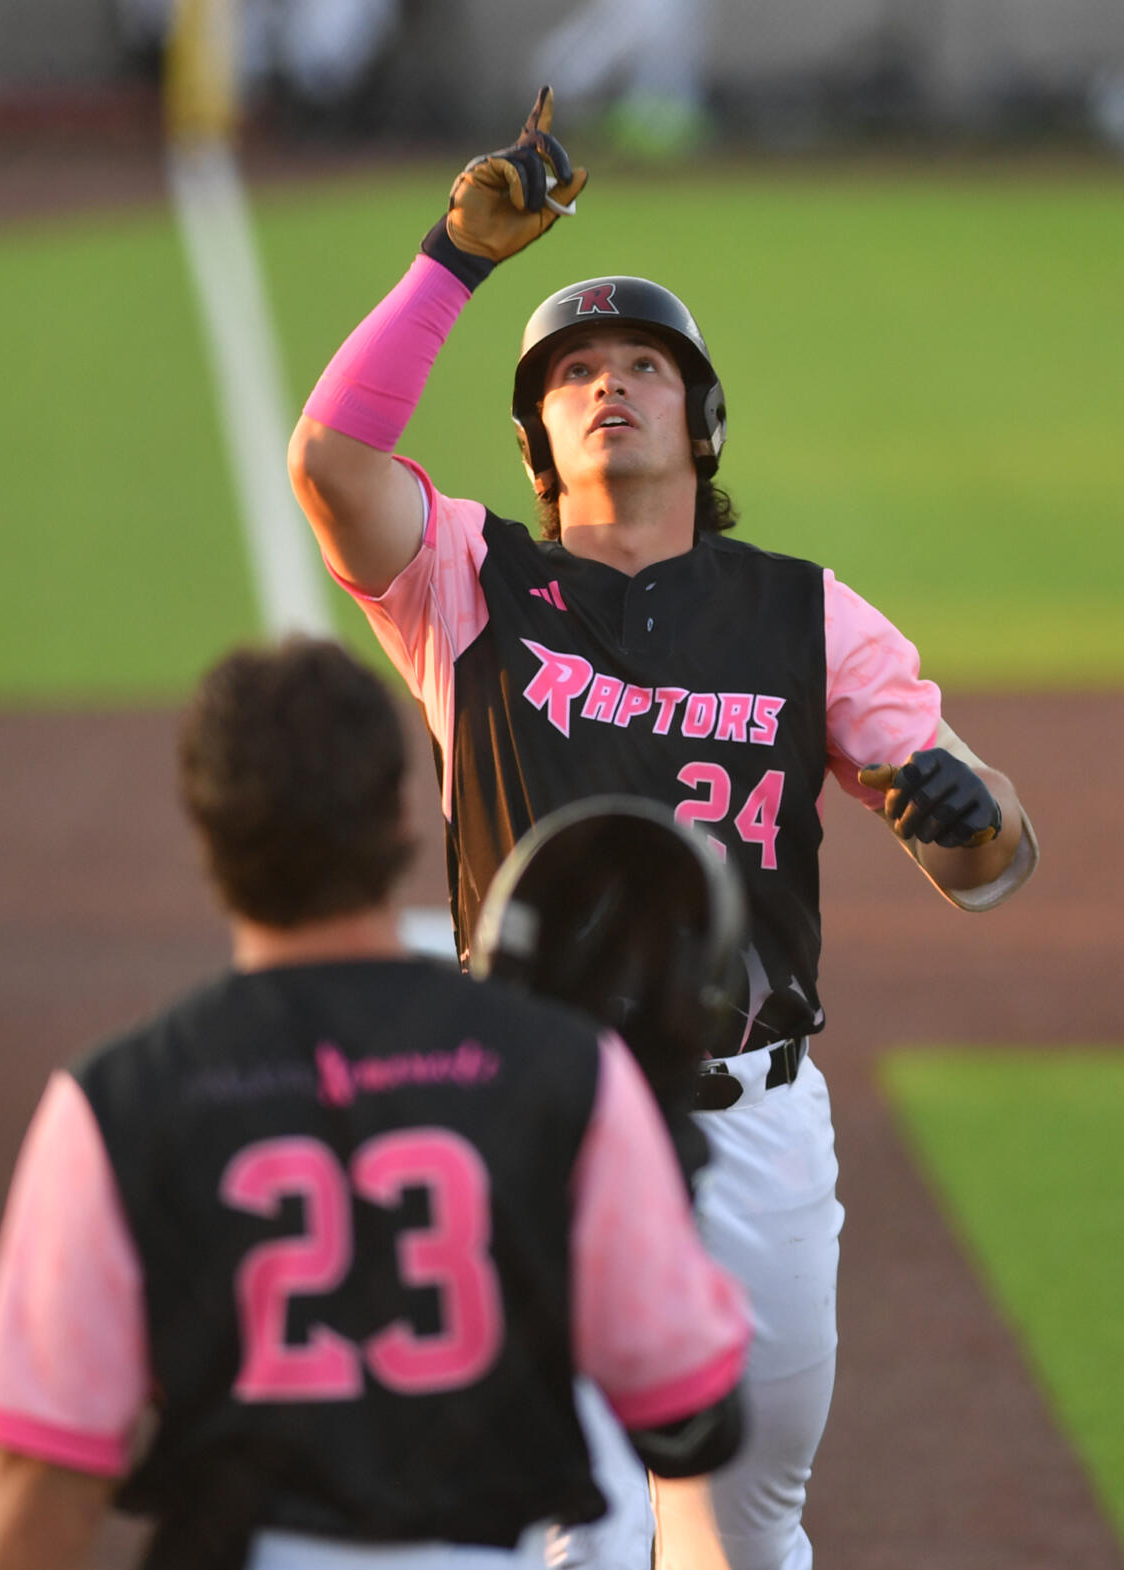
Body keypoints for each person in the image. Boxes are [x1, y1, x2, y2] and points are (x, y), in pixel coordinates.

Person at [286, 87, 1040, 1570]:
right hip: (535, 1112)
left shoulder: (805, 615)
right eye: (572, 374)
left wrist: (964, 814)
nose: (608, 384)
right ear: (533, 439)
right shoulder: (465, 585)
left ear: (700, 418)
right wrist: (452, 261)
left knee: (744, 1532)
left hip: (749, 1121)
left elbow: (990, 863)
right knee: (578, 1528)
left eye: (643, 363)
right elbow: (331, 464)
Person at [0, 636, 752, 1570]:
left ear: (206, 830)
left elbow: (44, 1476)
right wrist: (662, 1165)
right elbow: (688, 1422)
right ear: (405, 816)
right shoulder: (564, 1075)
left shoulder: (115, 1102)